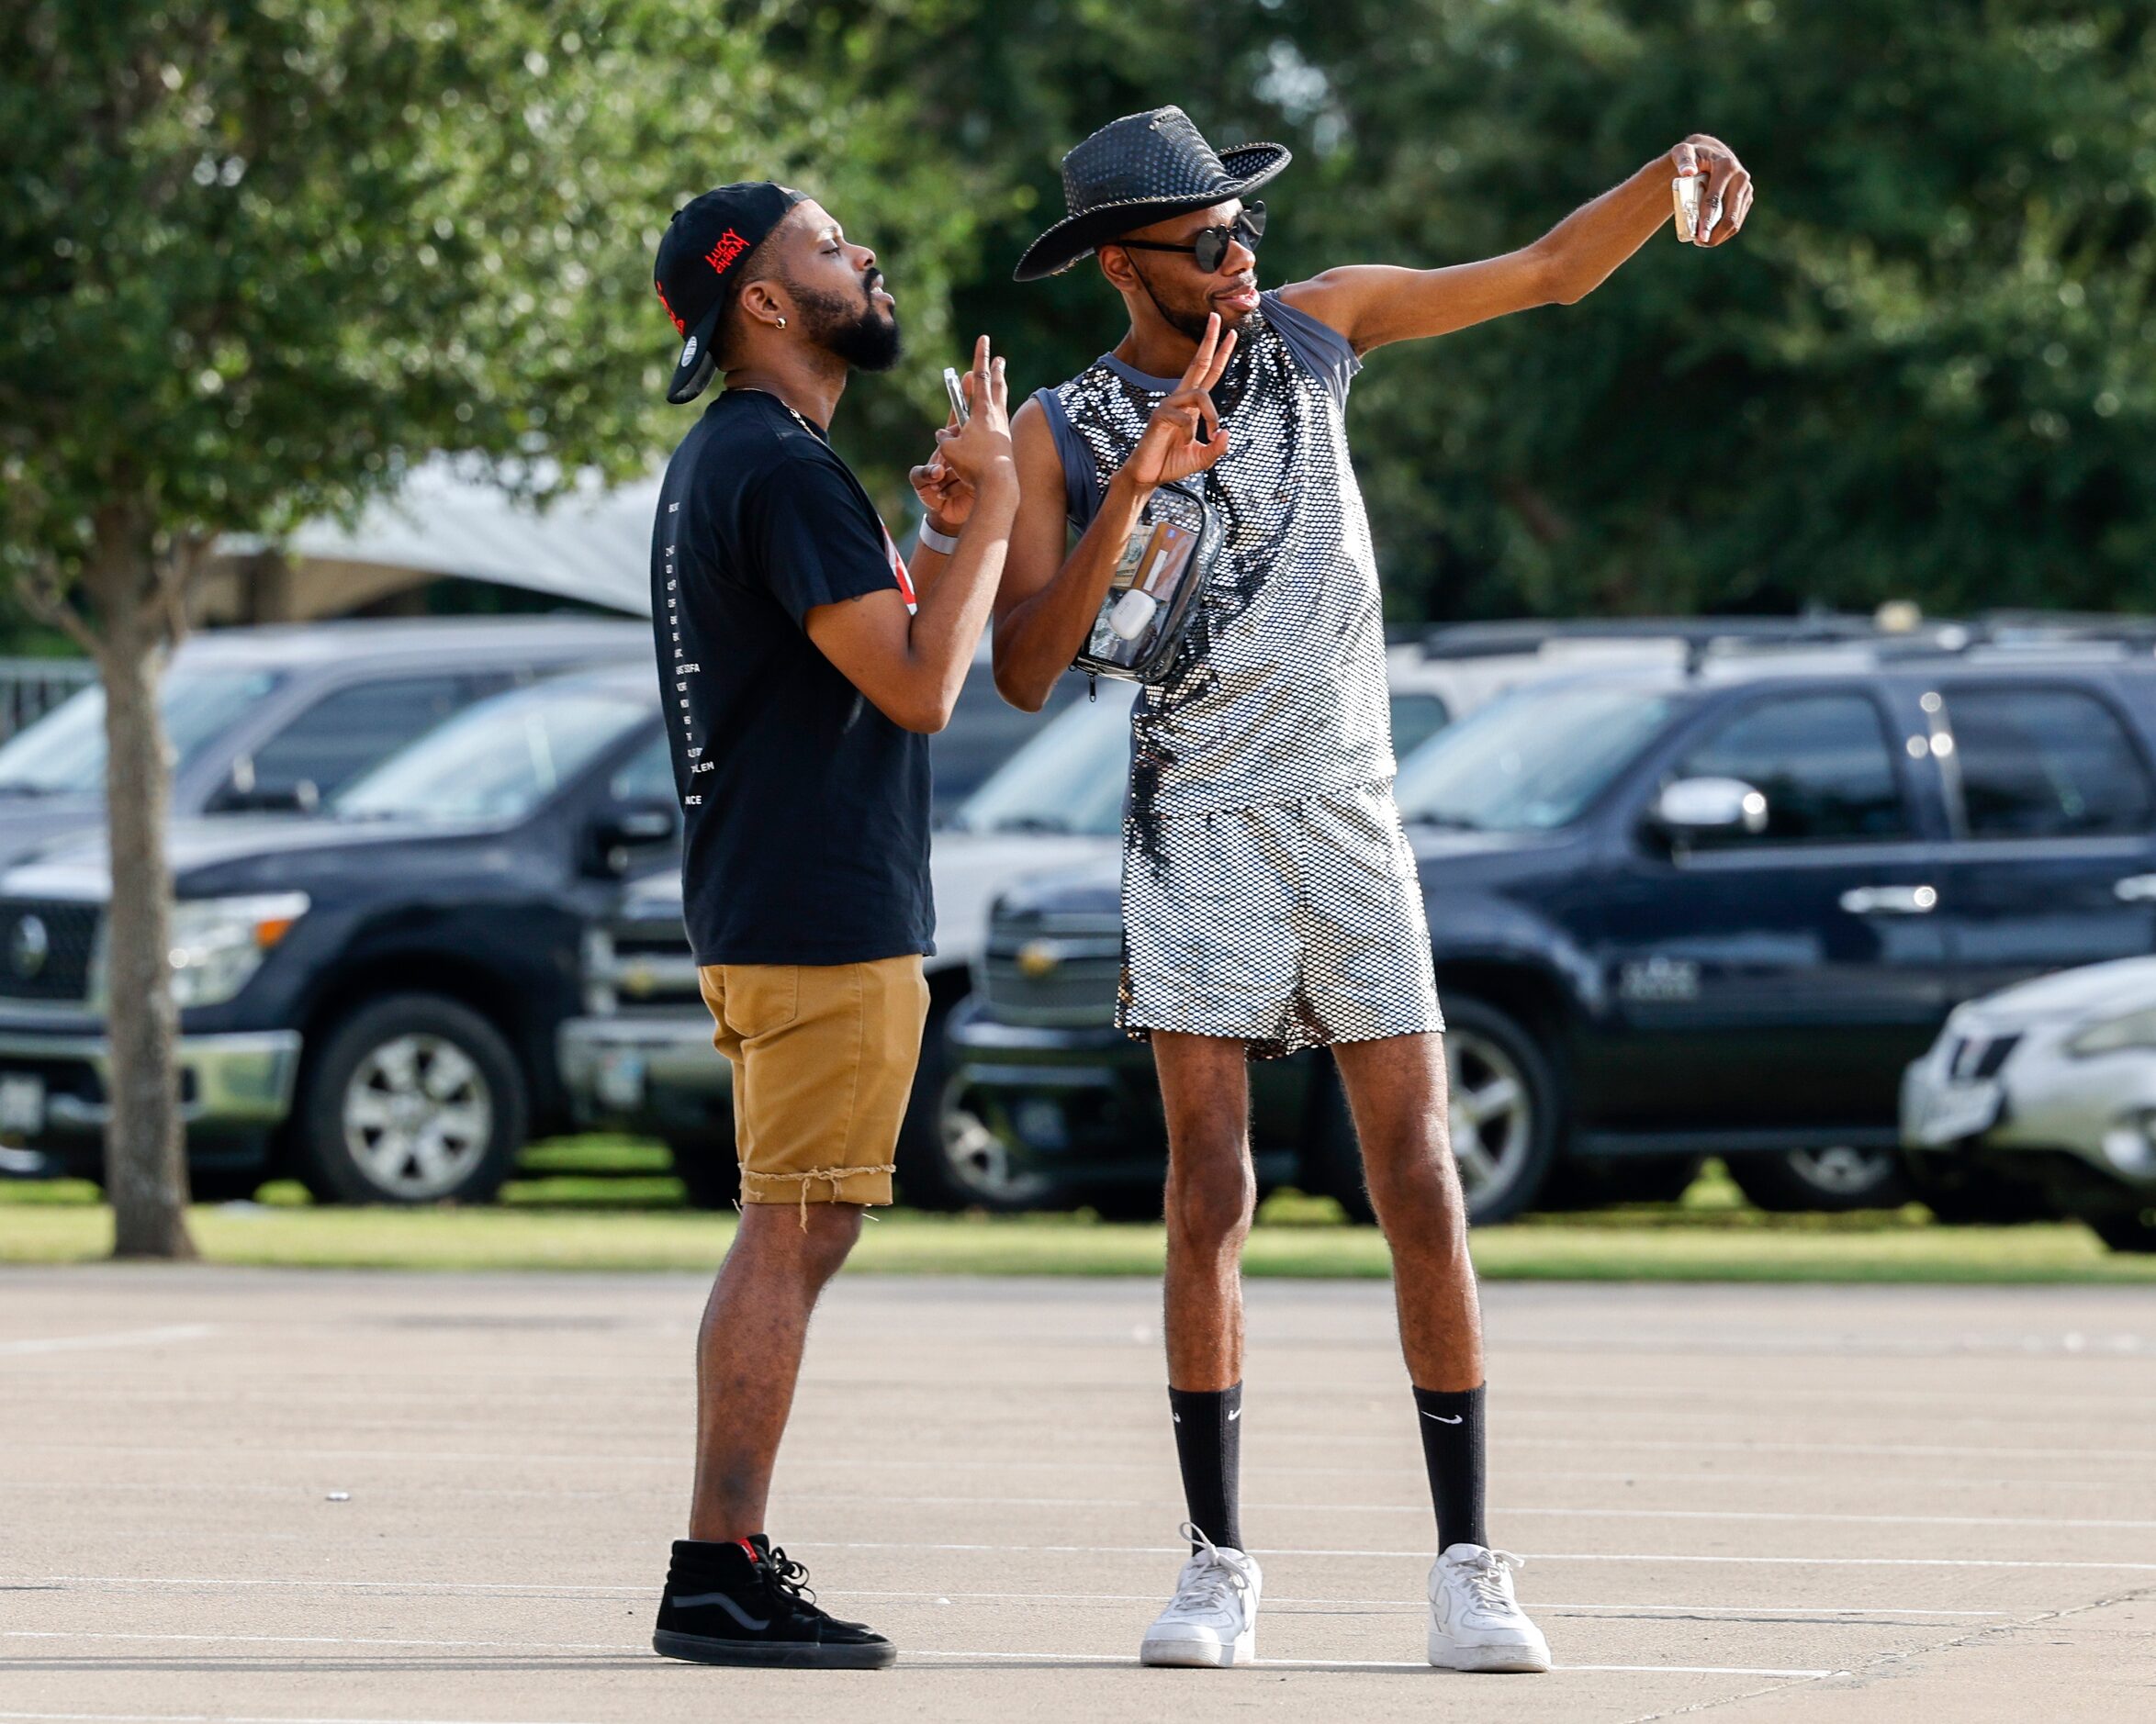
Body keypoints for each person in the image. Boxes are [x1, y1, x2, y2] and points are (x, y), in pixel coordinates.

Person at [994, 108, 1752, 1673]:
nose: (1241, 255)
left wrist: (1664, 171)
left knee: (1418, 1168)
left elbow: (1543, 273)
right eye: (1208, 241)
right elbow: (1019, 666)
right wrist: (1138, 476)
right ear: (1124, 266)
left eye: (1243, 226)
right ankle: (1215, 1563)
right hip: (1193, 817)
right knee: (1212, 1185)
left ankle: (1470, 1561)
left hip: (1347, 813)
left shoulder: (1320, 334)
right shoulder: (1060, 428)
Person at [642, 181, 1016, 1669]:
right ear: (766, 304)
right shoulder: (779, 468)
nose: (861, 252)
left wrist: (927, 545)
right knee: (792, 1229)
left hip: (773, 897)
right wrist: (991, 506)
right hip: (813, 910)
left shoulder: (747, 460)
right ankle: (717, 1565)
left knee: (802, 1220)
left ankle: (722, 1554)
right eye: (822, 243)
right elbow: (927, 687)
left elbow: (868, 656)